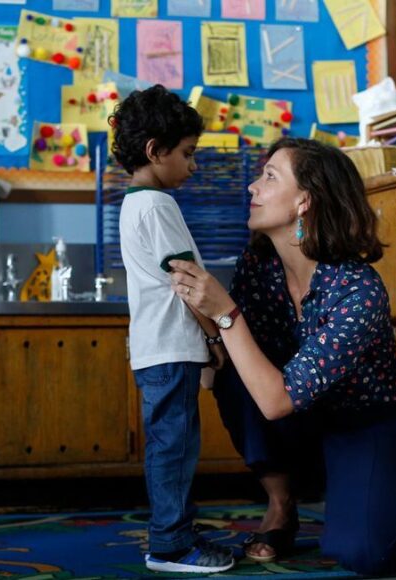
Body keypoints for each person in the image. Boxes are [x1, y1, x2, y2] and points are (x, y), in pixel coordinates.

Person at [169, 137, 396, 575]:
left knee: (363, 553)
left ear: (305, 201)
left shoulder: (358, 291)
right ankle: (281, 504)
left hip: (360, 424)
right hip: (297, 425)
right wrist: (200, 317)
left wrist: (225, 313)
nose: (252, 186)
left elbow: (275, 399)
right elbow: (232, 365)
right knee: (234, 370)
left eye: (269, 177)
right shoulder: (260, 265)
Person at [109, 84, 235, 574]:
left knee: (172, 444)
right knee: (175, 448)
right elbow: (189, 282)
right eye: (187, 154)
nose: (193, 164)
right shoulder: (157, 206)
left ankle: (174, 530)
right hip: (170, 347)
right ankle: (171, 546)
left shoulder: (137, 203)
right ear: (154, 151)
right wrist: (214, 336)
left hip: (158, 347)